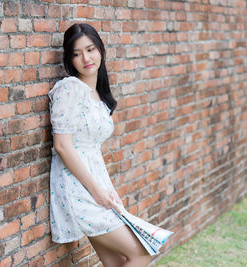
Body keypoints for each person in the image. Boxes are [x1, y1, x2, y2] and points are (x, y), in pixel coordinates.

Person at [48, 23, 153, 267]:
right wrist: (96, 191)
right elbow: (63, 146)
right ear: (69, 59)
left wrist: (105, 188)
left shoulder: (98, 96)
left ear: (101, 51)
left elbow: (91, 149)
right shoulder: (70, 89)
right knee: (142, 253)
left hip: (96, 184)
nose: (85, 58)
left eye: (90, 49)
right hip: (78, 188)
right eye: (76, 53)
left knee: (117, 262)